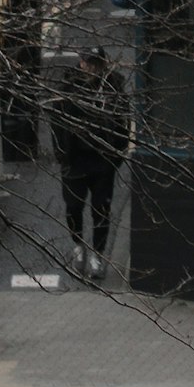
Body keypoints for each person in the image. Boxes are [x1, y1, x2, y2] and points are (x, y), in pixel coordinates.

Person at [53, 51, 131, 281]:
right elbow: (56, 121)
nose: (92, 69)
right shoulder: (68, 87)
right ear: (82, 63)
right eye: (89, 64)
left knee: (101, 210)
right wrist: (61, 154)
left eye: (97, 64)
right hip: (74, 160)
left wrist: (117, 155)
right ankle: (78, 245)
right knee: (73, 207)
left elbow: (123, 121)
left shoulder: (113, 87)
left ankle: (97, 255)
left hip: (102, 161)